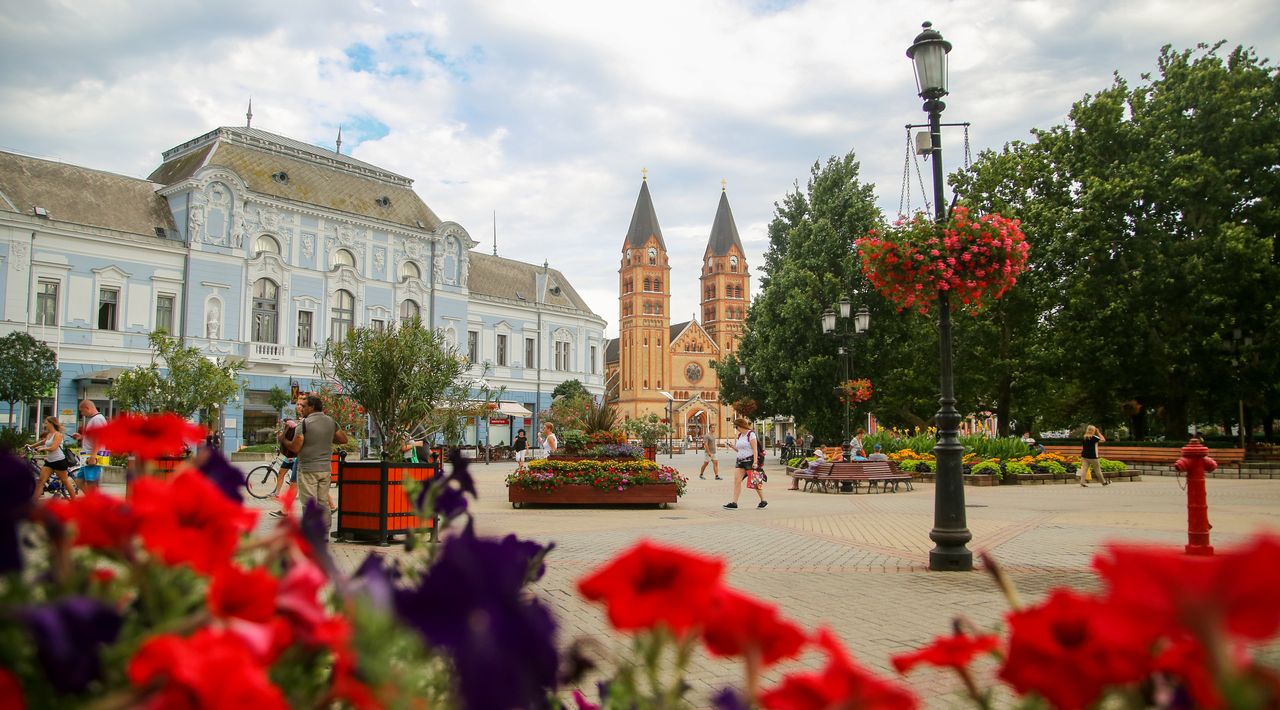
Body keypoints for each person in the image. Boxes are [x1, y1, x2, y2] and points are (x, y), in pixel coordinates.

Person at [279, 394, 348, 529]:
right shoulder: (330, 421)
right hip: (325, 470)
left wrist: (283, 440)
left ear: (311, 407)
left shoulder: (304, 424)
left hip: (307, 469)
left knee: (309, 503)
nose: (301, 409)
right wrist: (326, 438)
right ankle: (324, 532)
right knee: (323, 503)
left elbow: (295, 447)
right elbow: (343, 439)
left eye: (304, 406)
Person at [724, 418, 766, 509]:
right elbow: (739, 450)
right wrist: (732, 446)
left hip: (749, 461)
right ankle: (734, 503)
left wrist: (755, 462)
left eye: (736, 426)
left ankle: (763, 500)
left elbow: (755, 449)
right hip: (740, 461)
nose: (735, 428)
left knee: (755, 482)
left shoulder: (751, 434)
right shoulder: (740, 435)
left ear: (740, 425)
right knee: (737, 481)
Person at [33, 416, 77, 501]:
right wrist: (31, 446)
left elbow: (53, 447)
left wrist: (43, 448)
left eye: (46, 423)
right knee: (41, 482)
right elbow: (43, 442)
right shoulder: (49, 434)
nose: (45, 425)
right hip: (50, 462)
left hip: (59, 461)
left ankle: (74, 502)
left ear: (51, 423)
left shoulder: (58, 434)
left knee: (65, 481)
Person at [73, 399, 108, 493]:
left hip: (93, 456)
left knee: (91, 483)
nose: (82, 413)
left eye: (82, 411)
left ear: (87, 408)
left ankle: (95, 504)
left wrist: (93, 456)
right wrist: (81, 437)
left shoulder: (97, 419)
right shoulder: (95, 419)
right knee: (79, 481)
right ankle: (92, 501)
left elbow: (99, 439)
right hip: (87, 457)